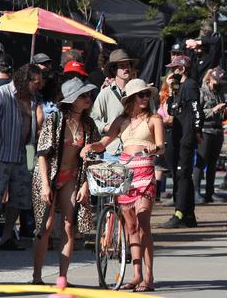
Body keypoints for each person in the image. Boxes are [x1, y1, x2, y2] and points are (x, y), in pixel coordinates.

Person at [82, 79, 163, 292]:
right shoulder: (122, 120)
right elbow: (105, 142)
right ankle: (136, 276)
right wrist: (90, 146)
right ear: (131, 99)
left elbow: (162, 147)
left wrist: (153, 149)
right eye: (141, 95)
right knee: (131, 227)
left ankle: (149, 276)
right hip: (125, 174)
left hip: (145, 172)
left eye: (147, 94)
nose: (145, 98)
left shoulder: (154, 119)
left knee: (144, 222)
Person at [31, 78, 98, 284]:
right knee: (46, 226)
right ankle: (37, 276)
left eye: (88, 95)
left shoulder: (88, 124)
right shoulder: (55, 120)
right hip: (48, 175)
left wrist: (86, 185)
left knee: (69, 226)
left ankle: (62, 277)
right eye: (83, 95)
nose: (88, 98)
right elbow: (42, 153)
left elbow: (93, 156)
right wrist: (44, 184)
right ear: (71, 100)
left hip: (72, 175)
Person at [0, 64, 44, 252]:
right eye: (36, 82)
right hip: (2, 154)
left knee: (19, 197)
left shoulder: (33, 99)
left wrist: (33, 159)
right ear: (26, 80)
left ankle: (8, 235)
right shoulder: (2, 94)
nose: (39, 86)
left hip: (24, 154)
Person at [159, 55, 203, 229]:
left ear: (182, 69)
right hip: (176, 137)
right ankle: (189, 214)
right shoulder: (178, 88)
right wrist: (171, 91)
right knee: (180, 175)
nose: (171, 72)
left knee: (182, 175)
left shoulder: (190, 85)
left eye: (174, 69)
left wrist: (196, 132)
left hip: (185, 137)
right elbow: (171, 109)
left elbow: (196, 110)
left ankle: (179, 212)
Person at [90, 49, 138, 161]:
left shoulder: (139, 92)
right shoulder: (105, 94)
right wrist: (108, 127)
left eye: (128, 65)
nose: (126, 68)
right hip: (113, 152)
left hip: (136, 151)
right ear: (114, 69)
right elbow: (93, 119)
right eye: (122, 66)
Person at [193, 67, 227, 204]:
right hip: (206, 131)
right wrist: (213, 110)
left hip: (217, 130)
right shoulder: (201, 93)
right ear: (209, 78)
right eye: (216, 79)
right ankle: (196, 191)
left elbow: (220, 114)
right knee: (201, 163)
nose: (218, 82)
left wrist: (223, 112)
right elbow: (198, 113)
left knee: (213, 164)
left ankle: (210, 192)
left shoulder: (219, 93)